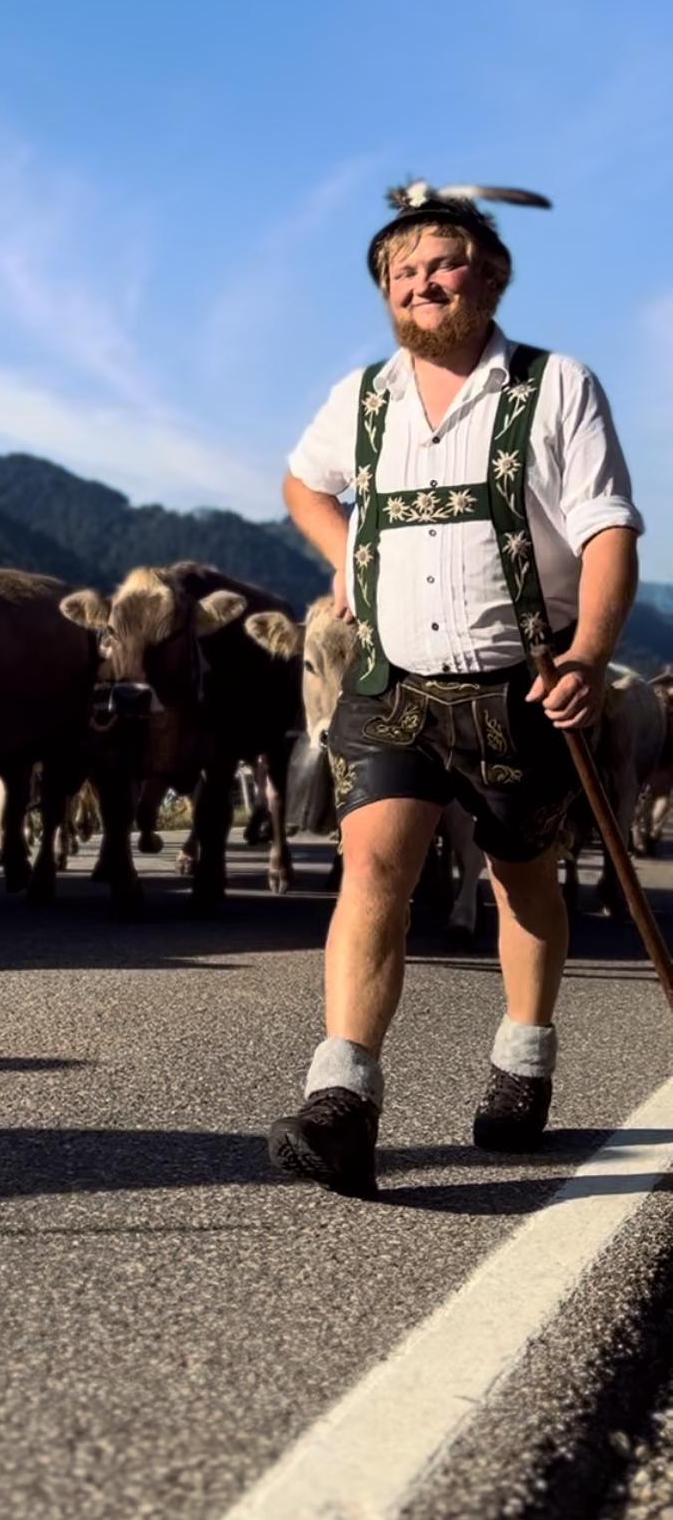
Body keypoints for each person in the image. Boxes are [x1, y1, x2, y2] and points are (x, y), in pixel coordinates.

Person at [269, 182, 643, 1199]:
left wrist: (590, 653)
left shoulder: (554, 385)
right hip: (393, 684)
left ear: (489, 273)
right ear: (387, 296)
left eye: (440, 264)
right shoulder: (363, 398)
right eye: (402, 273)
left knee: (524, 882)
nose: (422, 284)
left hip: (520, 692)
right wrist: (344, 552)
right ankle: (342, 1098)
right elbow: (303, 481)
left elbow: (609, 530)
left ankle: (523, 1056)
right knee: (373, 876)